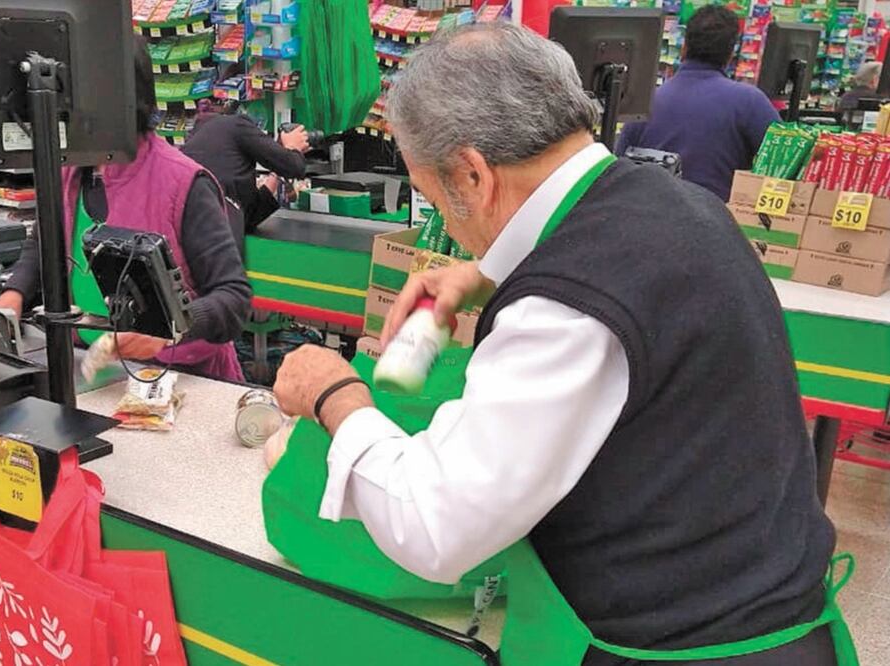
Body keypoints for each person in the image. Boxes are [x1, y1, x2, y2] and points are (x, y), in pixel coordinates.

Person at [273, 23, 849, 665]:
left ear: (471, 175)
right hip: (770, 604)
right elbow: (613, 269)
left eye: (433, 192)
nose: (447, 221)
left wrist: (335, 394)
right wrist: (486, 271)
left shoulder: (564, 307)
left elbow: (434, 527)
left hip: (693, 647)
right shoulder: (678, 203)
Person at [0, 36, 251, 382]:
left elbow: (233, 299)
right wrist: (14, 295)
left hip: (183, 379)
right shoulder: (68, 171)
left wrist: (170, 326)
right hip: (93, 371)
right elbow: (43, 246)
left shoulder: (182, 182)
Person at [616, 6, 781, 201]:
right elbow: (783, 165)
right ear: (730, 53)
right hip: (717, 222)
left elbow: (619, 171)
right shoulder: (749, 102)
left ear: (684, 47)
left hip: (649, 217)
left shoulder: (645, 102)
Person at [182, 101, 310, 242]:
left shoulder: (195, 140)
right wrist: (293, 147)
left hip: (195, 235)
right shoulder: (236, 124)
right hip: (219, 241)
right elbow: (294, 167)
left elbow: (248, 216)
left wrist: (276, 168)